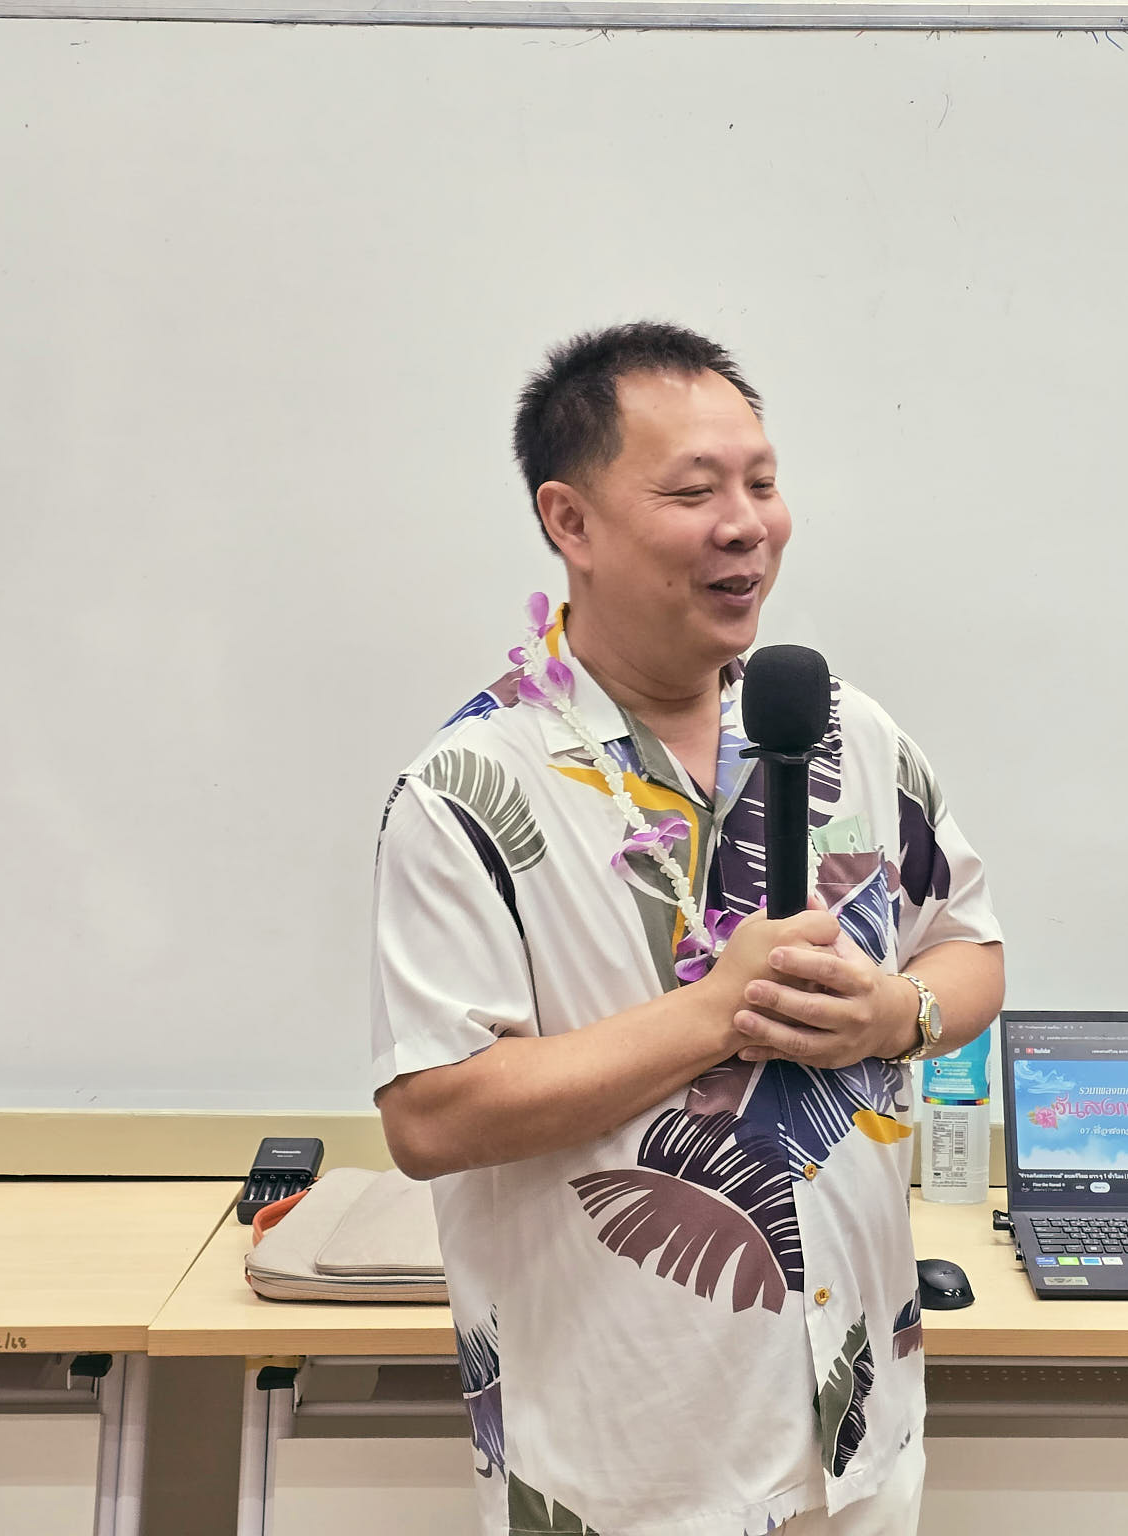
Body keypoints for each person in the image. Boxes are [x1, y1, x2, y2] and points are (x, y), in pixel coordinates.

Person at [370, 321, 1004, 1536]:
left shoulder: (843, 732)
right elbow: (433, 1114)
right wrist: (717, 1013)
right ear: (569, 521)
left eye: (761, 482)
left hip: (858, 1437)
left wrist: (896, 1013)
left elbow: (969, 948)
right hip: (625, 1473)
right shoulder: (467, 791)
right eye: (693, 491)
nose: (745, 524)